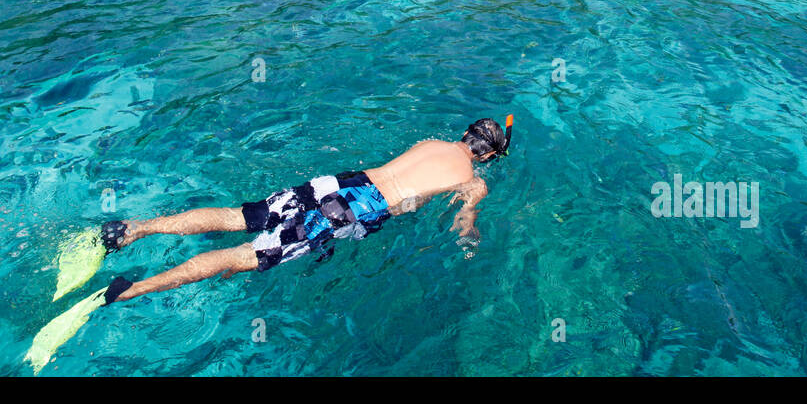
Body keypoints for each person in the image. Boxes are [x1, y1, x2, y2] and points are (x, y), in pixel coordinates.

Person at [97, 116, 512, 304]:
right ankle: (132, 289)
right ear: (490, 155)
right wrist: (469, 238)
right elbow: (463, 220)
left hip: (340, 182)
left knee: (237, 218)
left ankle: (136, 228)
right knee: (247, 255)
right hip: (354, 210)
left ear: (465, 133)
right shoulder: (474, 181)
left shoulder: (432, 143)